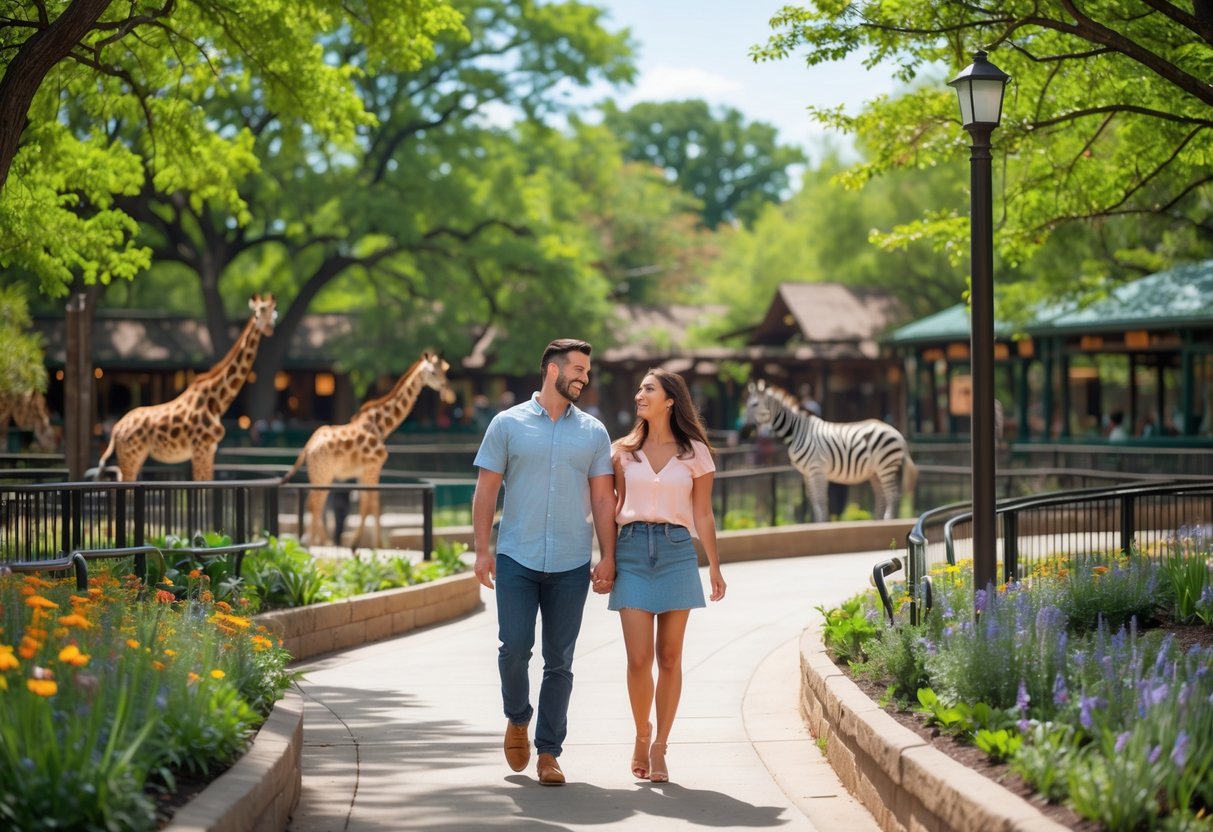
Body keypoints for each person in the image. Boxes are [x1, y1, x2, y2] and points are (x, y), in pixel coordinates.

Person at [472, 339, 617, 787]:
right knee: (514, 650)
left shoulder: (594, 432)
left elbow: (602, 498)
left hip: (572, 562)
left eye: (587, 371)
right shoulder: (507, 424)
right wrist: (482, 548)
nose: (584, 377)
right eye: (578, 369)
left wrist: (608, 554)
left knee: (560, 662)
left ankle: (549, 752)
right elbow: (487, 490)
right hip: (517, 555)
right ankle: (518, 718)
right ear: (553, 370)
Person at [609, 368, 726, 783]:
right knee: (639, 658)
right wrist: (605, 558)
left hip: (677, 552)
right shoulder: (622, 451)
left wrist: (714, 565)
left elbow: (703, 513)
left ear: (670, 400)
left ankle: (661, 746)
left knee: (670, 658)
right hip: (632, 550)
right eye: (639, 387)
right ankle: (642, 734)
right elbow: (610, 509)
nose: (639, 394)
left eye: (648, 389)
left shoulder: (695, 452)